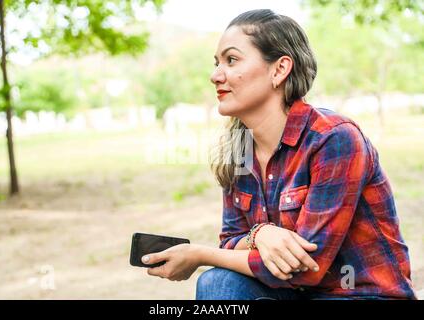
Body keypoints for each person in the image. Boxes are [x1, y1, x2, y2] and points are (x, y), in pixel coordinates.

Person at [141, 9, 417, 300]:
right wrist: (259, 234)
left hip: (359, 294)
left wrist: (198, 254)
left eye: (231, 60)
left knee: (216, 276)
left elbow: (306, 268)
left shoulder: (334, 139)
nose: (215, 75)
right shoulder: (238, 150)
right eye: (216, 63)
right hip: (294, 294)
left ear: (279, 69)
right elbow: (231, 241)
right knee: (218, 283)